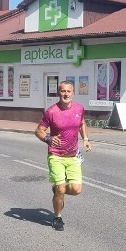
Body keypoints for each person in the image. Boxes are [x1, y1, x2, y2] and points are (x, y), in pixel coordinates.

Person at [33, 80, 92, 231]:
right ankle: (57, 217)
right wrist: (48, 138)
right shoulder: (51, 111)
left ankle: (58, 189)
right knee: (60, 189)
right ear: (58, 92)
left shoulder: (79, 108)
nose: (65, 94)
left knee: (76, 189)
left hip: (73, 156)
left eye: (68, 91)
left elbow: (82, 123)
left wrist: (85, 139)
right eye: (63, 91)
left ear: (73, 93)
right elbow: (38, 131)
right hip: (56, 155)